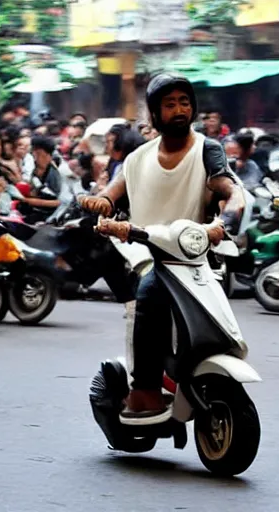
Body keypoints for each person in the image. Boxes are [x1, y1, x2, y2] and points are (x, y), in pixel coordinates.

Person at [77, 73, 242, 424]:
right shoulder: (138, 158)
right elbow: (113, 191)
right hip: (149, 254)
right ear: (154, 114)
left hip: (196, 256)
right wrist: (101, 204)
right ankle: (144, 389)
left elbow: (228, 188)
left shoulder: (206, 149)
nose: (180, 110)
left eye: (185, 102)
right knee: (150, 295)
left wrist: (223, 221)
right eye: (170, 105)